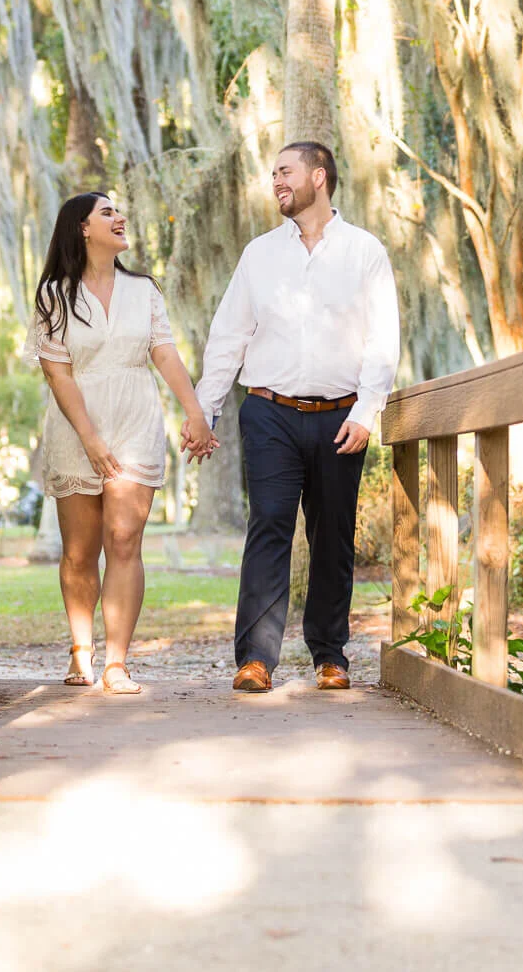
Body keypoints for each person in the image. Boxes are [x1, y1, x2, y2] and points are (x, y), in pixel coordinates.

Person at [185, 142, 399, 693]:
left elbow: (383, 340)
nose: (276, 181)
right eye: (273, 173)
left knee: (333, 537)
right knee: (270, 525)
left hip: (340, 418)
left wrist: (367, 411)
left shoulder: (364, 251)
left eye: (285, 171)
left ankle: (330, 656)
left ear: (318, 176)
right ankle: (255, 659)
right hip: (269, 412)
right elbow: (229, 335)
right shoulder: (259, 254)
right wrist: (204, 410)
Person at [28, 192, 216, 694]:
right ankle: (80, 651)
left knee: (126, 540)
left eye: (119, 211)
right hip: (76, 425)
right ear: (82, 228)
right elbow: (57, 373)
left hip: (135, 419)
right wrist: (88, 437)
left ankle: (116, 663)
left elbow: (166, 353)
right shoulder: (54, 293)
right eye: (107, 212)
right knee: (80, 551)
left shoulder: (144, 290)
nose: (120, 217)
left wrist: (194, 411)